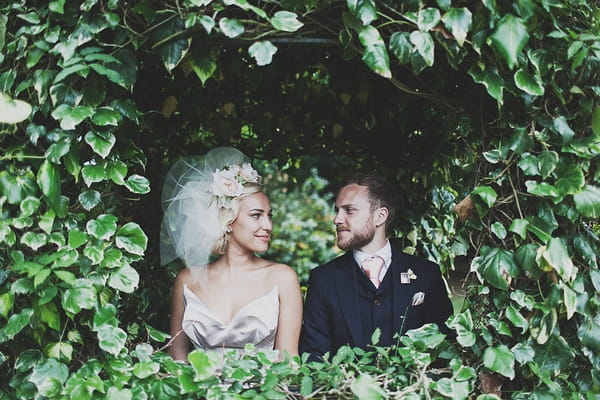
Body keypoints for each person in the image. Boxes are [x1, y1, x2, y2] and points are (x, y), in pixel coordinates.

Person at [161, 147, 302, 362]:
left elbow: (288, 360)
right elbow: (176, 357)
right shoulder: (187, 280)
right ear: (227, 220)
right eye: (256, 216)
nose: (268, 225)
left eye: (269, 216)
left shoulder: (283, 278)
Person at [300, 174, 454, 361]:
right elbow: (314, 355)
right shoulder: (323, 279)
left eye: (349, 210)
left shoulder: (426, 274)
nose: (337, 219)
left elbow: (444, 347)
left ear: (380, 216)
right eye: (337, 210)